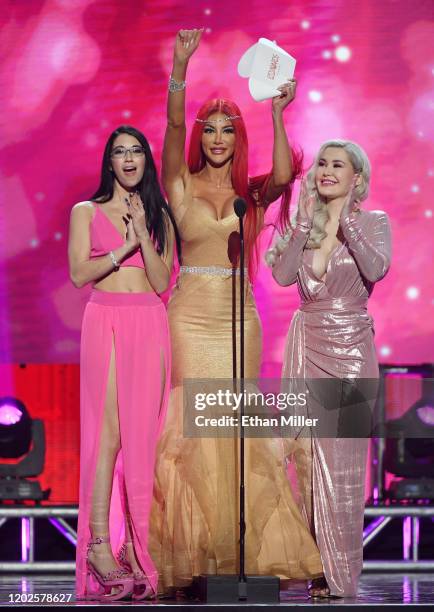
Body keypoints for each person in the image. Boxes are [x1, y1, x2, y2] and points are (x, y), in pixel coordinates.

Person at [149, 29, 323, 592]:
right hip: (190, 314)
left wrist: (276, 114)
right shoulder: (178, 183)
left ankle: (237, 553)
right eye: (212, 129)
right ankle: (190, 552)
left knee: (234, 425)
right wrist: (180, 68)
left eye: (228, 129)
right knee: (192, 427)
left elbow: (282, 175)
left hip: (239, 318)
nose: (219, 137)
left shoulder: (251, 193)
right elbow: (173, 128)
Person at [266, 139, 392, 597]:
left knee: (341, 466)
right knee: (304, 459)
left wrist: (344, 221)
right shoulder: (308, 225)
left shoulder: (374, 223)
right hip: (307, 344)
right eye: (322, 163)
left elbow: (376, 270)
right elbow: (281, 278)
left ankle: (340, 573)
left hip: (351, 350)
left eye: (338, 165)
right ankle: (314, 563)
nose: (326, 170)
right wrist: (307, 222)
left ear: (356, 177)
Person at [69, 125, 178, 601]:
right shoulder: (85, 211)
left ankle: (136, 547)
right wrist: (124, 247)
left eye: (136, 151)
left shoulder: (159, 214)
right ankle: (97, 543)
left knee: (143, 436)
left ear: (146, 161)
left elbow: (160, 282)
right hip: (105, 320)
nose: (129, 159)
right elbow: (78, 274)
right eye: (120, 152)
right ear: (109, 161)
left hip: (149, 323)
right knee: (109, 433)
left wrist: (144, 234)